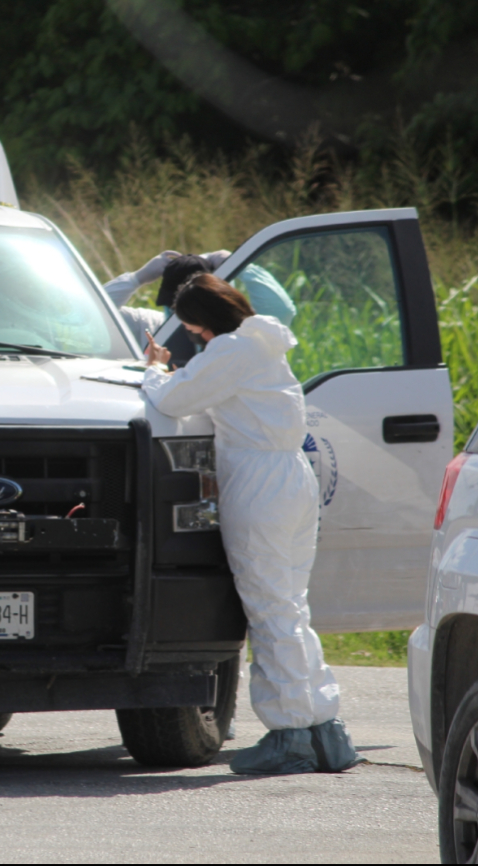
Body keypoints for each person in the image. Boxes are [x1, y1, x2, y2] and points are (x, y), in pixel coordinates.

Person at [141, 274, 362, 775]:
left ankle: (289, 736)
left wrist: (151, 370)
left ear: (206, 322)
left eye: (197, 331)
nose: (198, 339)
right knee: (291, 605)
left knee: (268, 610)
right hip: (292, 479)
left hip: (259, 485)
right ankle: (324, 729)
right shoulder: (264, 345)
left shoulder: (230, 352)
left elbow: (172, 401)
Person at [103, 249, 297, 350]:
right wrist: (137, 277)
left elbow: (282, 310)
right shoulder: (151, 326)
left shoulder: (243, 332)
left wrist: (244, 267)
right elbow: (91, 314)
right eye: (175, 304)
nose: (182, 313)